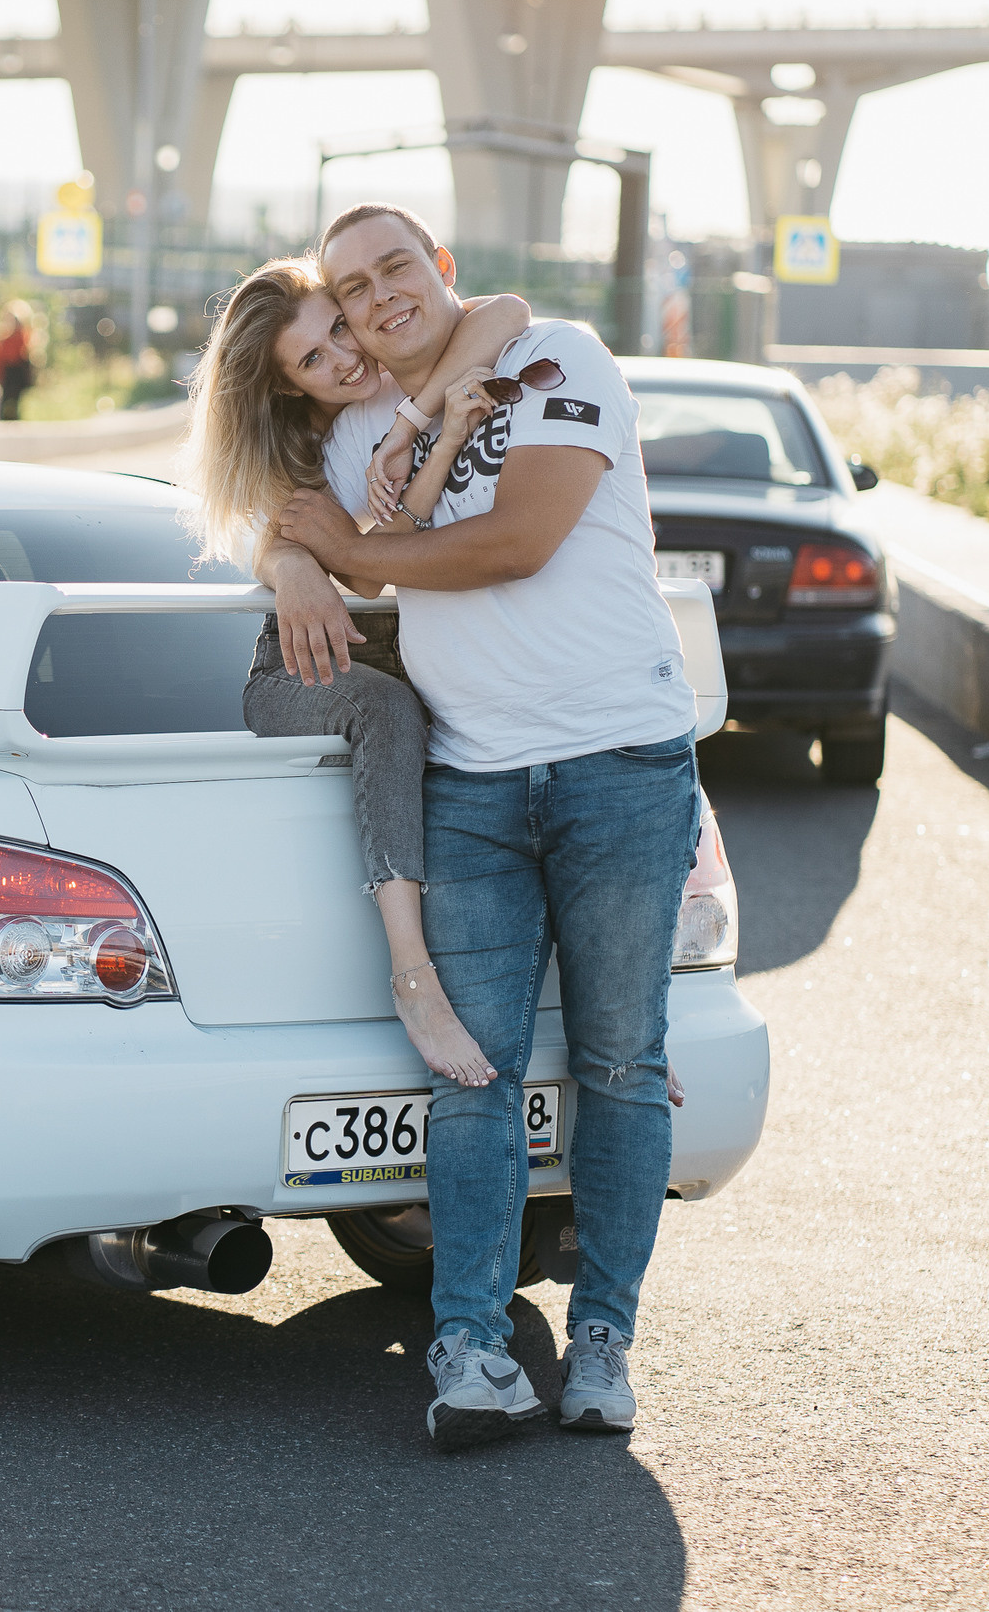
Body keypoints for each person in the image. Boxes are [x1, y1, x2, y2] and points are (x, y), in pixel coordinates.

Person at [264, 203, 701, 1453]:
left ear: (442, 269)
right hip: (471, 783)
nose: (379, 295)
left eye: (397, 265)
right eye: (352, 287)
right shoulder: (357, 437)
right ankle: (468, 1348)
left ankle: (604, 1338)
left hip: (620, 761)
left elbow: (520, 538)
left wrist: (362, 550)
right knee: (468, 1069)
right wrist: (301, 560)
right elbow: (273, 501)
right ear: (341, 317)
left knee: (621, 1062)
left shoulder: (556, 358)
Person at [180, 256, 529, 1088]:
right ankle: (413, 978)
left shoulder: (406, 376)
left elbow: (506, 306)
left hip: (402, 653)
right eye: (313, 360)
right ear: (290, 387)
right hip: (304, 669)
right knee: (388, 710)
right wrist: (293, 564)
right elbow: (282, 532)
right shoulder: (316, 440)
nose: (343, 357)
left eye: (339, 326)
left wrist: (416, 421)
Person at [0, 300, 39, 421]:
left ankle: (15, 417)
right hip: (7, 370)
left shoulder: (23, 334)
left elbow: (25, 351)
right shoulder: (1, 335)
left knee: (16, 397)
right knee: (4, 397)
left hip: (18, 369)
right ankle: (2, 418)